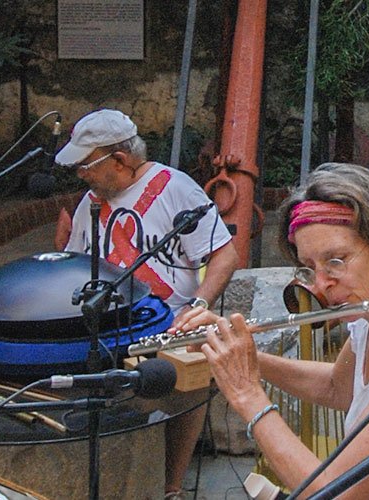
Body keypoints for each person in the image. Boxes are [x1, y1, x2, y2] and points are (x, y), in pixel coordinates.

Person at [168, 162, 369, 497]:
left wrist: (248, 394)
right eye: (310, 267)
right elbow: (337, 387)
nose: (321, 284)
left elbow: (335, 493)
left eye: (336, 260)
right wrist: (243, 357)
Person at [54, 108, 241, 499]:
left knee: (189, 364)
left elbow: (225, 256)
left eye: (86, 165)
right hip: (105, 326)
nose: (80, 175)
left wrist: (197, 305)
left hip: (167, 319)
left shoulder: (174, 187)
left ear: (119, 160)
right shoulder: (92, 199)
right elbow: (75, 263)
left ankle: (171, 487)